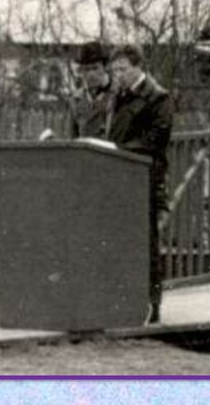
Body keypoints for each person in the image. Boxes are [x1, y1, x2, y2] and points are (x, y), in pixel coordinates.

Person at [107, 44, 173, 324]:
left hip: (145, 178)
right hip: (120, 176)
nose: (118, 75)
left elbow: (155, 139)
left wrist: (119, 150)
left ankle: (150, 303)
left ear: (138, 67)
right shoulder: (119, 98)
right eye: (115, 70)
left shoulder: (158, 98)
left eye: (123, 69)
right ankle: (121, 299)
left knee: (146, 243)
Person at [67, 40, 114, 139]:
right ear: (81, 72)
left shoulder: (118, 94)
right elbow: (71, 139)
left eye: (95, 68)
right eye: (87, 69)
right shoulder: (75, 100)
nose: (91, 74)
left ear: (105, 68)